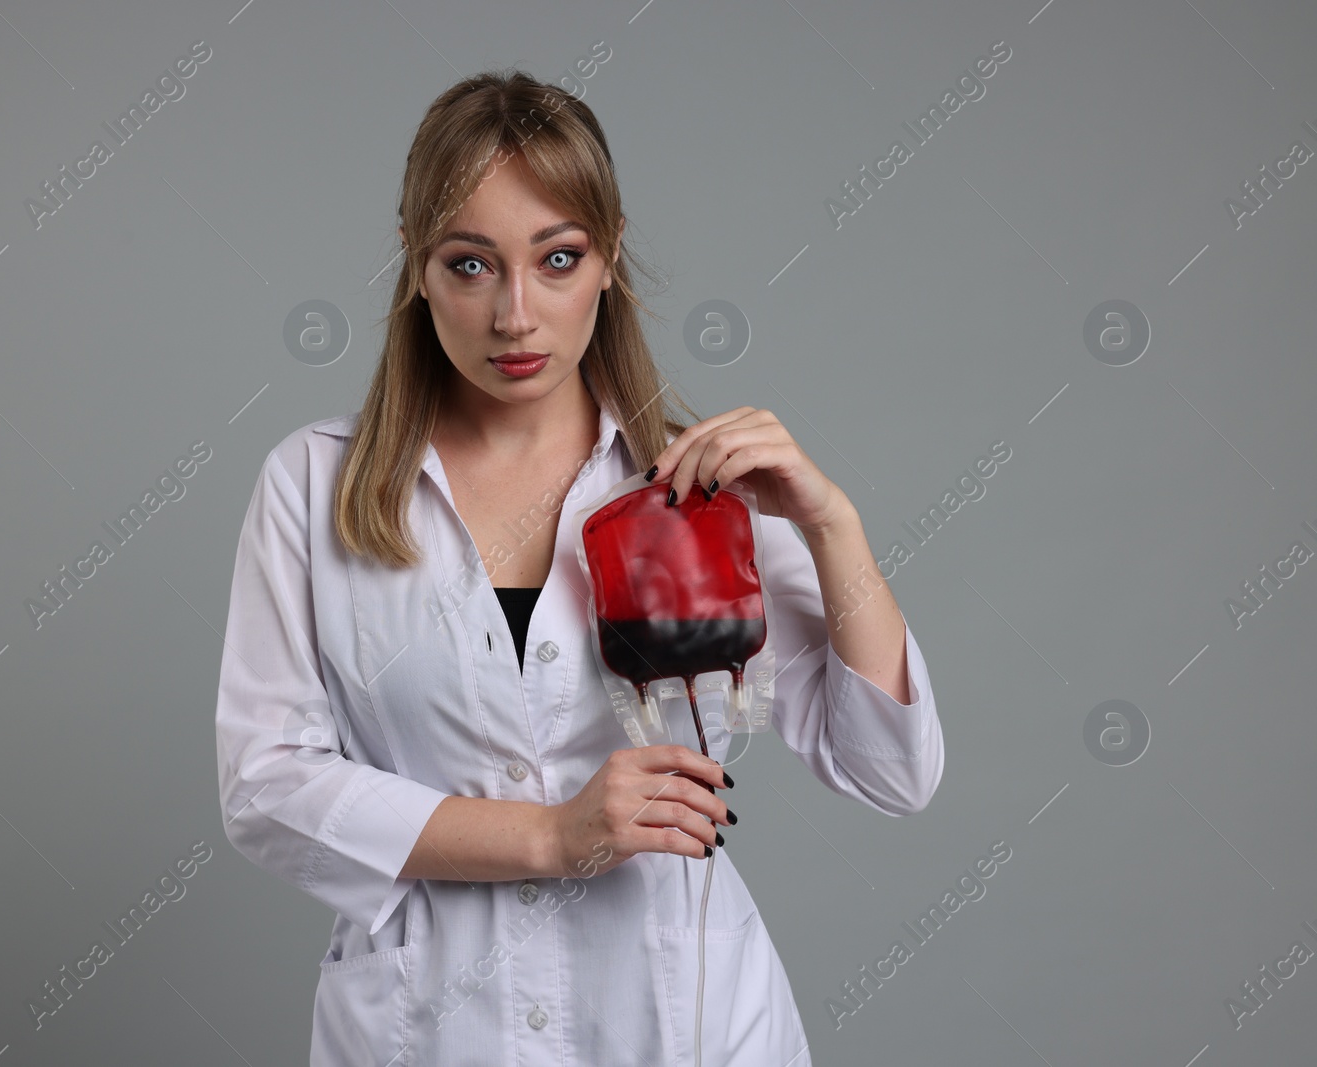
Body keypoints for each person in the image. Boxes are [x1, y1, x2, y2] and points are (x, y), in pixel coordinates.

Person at [215, 69, 944, 1066]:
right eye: (470, 265)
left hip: (680, 1012)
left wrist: (833, 523)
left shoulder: (699, 488)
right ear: (415, 265)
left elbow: (891, 770)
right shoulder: (316, 485)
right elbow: (265, 785)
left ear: (607, 258)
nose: (515, 314)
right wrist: (546, 835)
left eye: (556, 258)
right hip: (430, 1022)